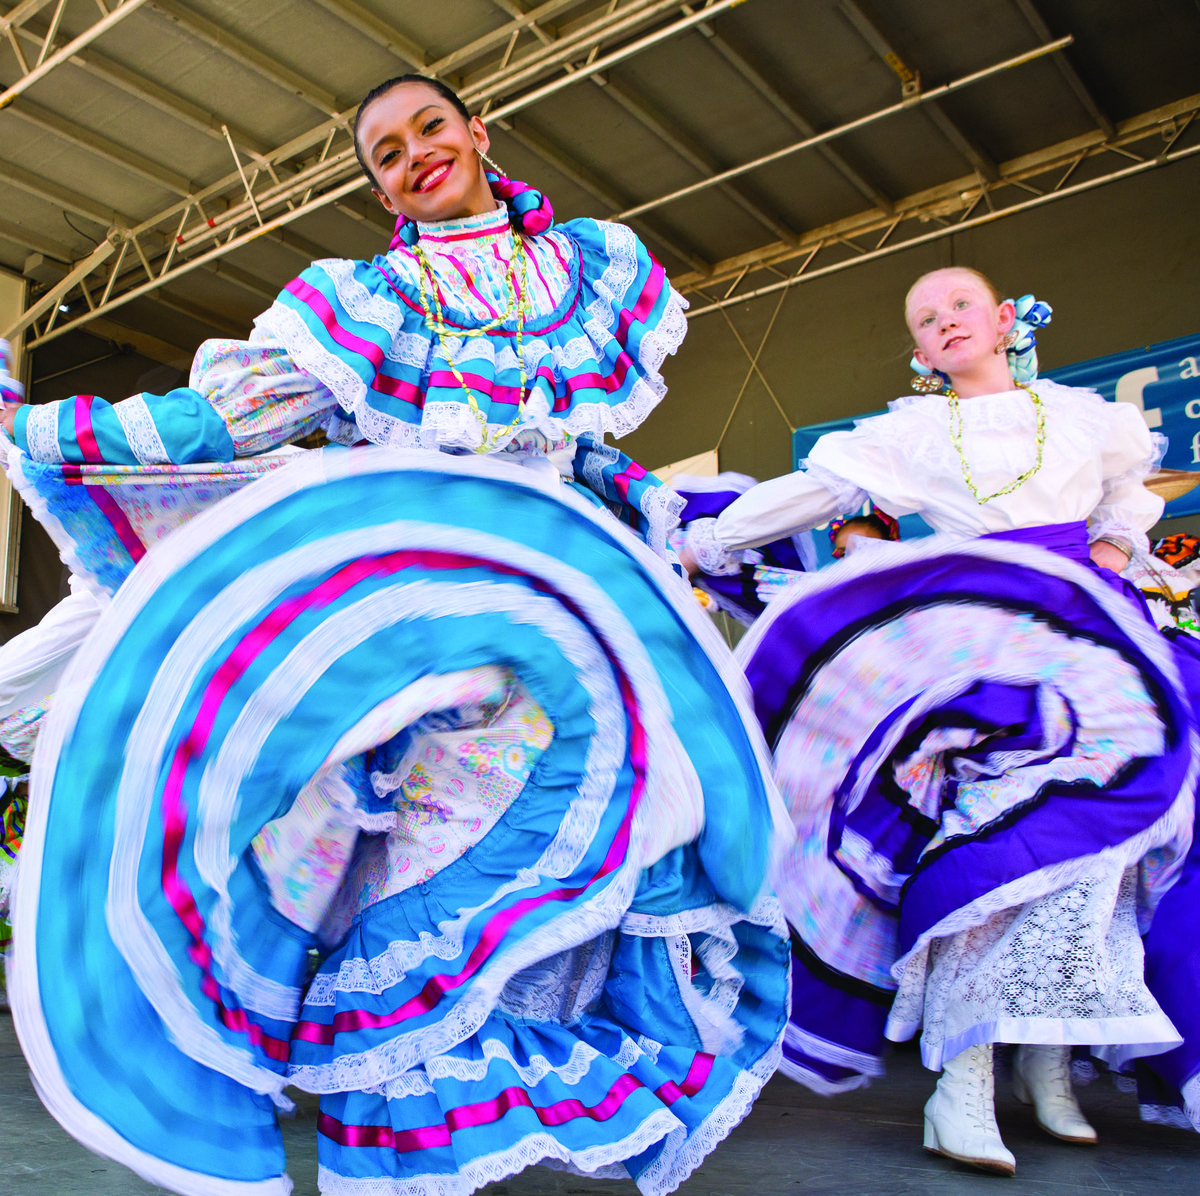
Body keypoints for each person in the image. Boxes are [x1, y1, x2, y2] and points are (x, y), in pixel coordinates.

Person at [3, 76, 790, 1196]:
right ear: (376, 184)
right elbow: (223, 422)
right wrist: (36, 426)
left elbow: (579, 451)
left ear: (478, 135)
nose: (413, 155)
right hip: (436, 641)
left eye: (429, 129)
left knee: (585, 887)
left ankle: (510, 1132)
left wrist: (681, 513)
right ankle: (436, 1150)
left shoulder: (586, 274)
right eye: (384, 152)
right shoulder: (362, 303)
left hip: (578, 621)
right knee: (432, 882)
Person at [680, 266, 1195, 1175]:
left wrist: (1111, 553)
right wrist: (710, 537)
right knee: (1004, 837)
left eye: (959, 305)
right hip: (990, 638)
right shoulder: (913, 432)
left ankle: (1047, 1069)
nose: (944, 321)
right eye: (925, 318)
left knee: (1102, 851)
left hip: (1101, 638)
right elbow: (818, 491)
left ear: (1001, 320)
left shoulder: (1082, 415)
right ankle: (962, 1076)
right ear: (919, 351)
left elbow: (1126, 496)